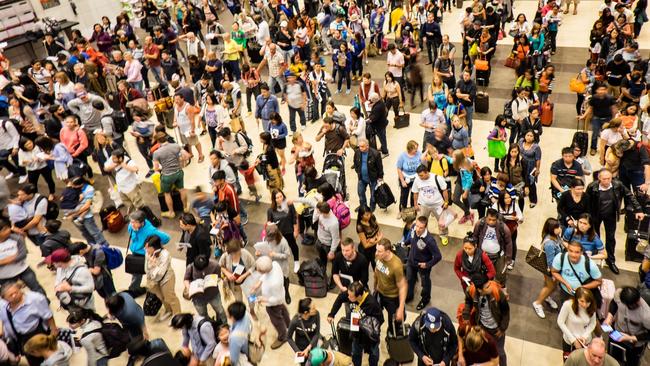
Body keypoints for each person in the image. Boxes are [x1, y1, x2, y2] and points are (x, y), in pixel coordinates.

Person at [585, 168, 643, 274]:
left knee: (611, 238)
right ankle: (592, 257)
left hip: (610, 215)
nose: (607, 181)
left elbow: (629, 195)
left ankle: (610, 260)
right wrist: (586, 218)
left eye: (609, 179)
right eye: (604, 179)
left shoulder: (618, 185)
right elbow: (587, 203)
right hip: (596, 215)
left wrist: (638, 209)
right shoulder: (592, 187)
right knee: (594, 236)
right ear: (599, 178)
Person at [0, 281, 58, 366]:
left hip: (36, 333)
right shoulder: (2, 306)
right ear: (4, 298)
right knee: (32, 360)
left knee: (47, 357)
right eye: (10, 295)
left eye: (16, 292)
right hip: (18, 338)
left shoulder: (35, 299)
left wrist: (53, 331)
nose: (14, 296)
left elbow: (48, 315)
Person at [327, 281, 383, 366]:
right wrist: (332, 314)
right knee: (356, 353)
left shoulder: (372, 304)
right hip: (356, 333)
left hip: (369, 336)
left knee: (374, 354)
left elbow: (380, 320)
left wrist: (368, 325)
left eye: (350, 296)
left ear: (359, 296)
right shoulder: (351, 293)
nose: (348, 297)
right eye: (348, 294)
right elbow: (340, 298)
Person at [462, 273, 510, 366]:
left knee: (500, 353)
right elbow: (468, 301)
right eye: (487, 287)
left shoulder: (497, 292)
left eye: (489, 284)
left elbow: (506, 312)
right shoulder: (471, 290)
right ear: (480, 290)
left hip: (496, 329)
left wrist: (502, 328)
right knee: (485, 350)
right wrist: (466, 314)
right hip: (482, 327)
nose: (490, 287)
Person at [126, 210, 171, 296]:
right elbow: (134, 238)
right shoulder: (132, 226)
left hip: (145, 255)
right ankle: (134, 289)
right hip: (135, 252)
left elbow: (166, 238)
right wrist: (135, 231)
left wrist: (155, 245)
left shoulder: (150, 230)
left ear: (142, 222)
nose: (132, 224)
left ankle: (136, 290)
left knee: (142, 273)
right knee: (137, 273)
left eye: (135, 222)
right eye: (131, 222)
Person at [603, 286, 650, 366]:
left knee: (632, 362)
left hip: (635, 343)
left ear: (637, 301)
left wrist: (630, 338)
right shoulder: (619, 294)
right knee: (613, 356)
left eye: (631, 306)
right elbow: (614, 302)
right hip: (617, 332)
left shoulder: (646, 315)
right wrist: (609, 316)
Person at [251, 256, 290, 349]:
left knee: (276, 320)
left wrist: (263, 299)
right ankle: (289, 323)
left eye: (258, 270)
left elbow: (275, 299)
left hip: (273, 303)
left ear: (263, 271)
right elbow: (266, 275)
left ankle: (283, 336)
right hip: (281, 295)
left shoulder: (274, 283)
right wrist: (258, 283)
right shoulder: (275, 264)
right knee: (283, 309)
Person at [0, 217, 46, 295]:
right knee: (13, 295)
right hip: (5, 276)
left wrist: (4, 261)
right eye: (4, 230)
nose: (8, 230)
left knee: (37, 289)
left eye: (8, 228)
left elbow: (22, 254)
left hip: (23, 270)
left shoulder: (16, 238)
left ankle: (45, 304)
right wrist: (12, 258)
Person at [406, 216, 442, 310]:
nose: (417, 229)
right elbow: (411, 238)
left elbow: (438, 256)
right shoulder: (414, 227)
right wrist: (404, 243)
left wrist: (427, 264)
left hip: (422, 265)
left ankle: (425, 299)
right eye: (417, 226)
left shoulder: (429, 241)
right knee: (409, 279)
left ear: (425, 227)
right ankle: (409, 296)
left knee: (425, 283)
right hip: (411, 260)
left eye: (421, 227)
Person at [152, 132, 192, 218]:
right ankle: (185, 208)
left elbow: (156, 168)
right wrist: (180, 160)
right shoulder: (175, 146)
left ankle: (171, 212)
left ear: (158, 141)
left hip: (167, 176)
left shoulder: (157, 153)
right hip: (178, 172)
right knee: (182, 189)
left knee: (167, 194)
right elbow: (187, 156)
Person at [471, 208, 513, 287]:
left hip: (499, 255)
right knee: (482, 274)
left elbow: (509, 243)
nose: (491, 222)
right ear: (486, 217)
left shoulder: (503, 227)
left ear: (497, 219)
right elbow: (475, 237)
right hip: (483, 255)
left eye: (493, 220)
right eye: (489, 219)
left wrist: (508, 258)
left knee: (501, 275)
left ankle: (501, 290)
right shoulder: (480, 223)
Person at [552, 241, 603, 305]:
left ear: (581, 252)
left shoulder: (590, 265)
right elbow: (554, 272)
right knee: (564, 309)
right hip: (565, 292)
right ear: (567, 250)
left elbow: (599, 281)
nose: (573, 255)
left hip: (583, 295)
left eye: (577, 252)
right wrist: (565, 283)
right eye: (571, 251)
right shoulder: (560, 258)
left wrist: (582, 287)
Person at [411, 164, 450, 245]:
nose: (420, 177)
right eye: (419, 175)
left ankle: (443, 235)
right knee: (422, 221)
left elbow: (444, 190)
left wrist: (446, 202)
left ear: (426, 172)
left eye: (421, 175)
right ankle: (423, 235)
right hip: (424, 205)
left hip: (438, 205)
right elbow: (415, 192)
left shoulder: (437, 178)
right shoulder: (417, 179)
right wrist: (415, 204)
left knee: (442, 221)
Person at [145, 235, 181, 321]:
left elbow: (161, 273)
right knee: (161, 297)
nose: (146, 250)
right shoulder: (148, 253)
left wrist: (153, 265)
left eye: (147, 247)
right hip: (153, 280)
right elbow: (146, 268)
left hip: (166, 278)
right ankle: (168, 310)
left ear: (154, 247)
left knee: (170, 297)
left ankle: (178, 316)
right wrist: (150, 265)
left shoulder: (165, 254)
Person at [374, 239, 407, 335]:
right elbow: (376, 272)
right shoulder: (378, 257)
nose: (376, 253)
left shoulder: (396, 265)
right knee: (375, 318)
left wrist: (400, 308)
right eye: (376, 250)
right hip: (380, 293)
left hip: (392, 298)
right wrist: (375, 287)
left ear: (387, 252)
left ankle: (392, 336)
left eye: (379, 251)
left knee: (394, 324)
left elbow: (403, 286)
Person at [532, 218, 562, 318]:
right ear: (551, 229)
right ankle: (538, 303)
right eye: (557, 227)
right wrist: (553, 273)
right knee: (550, 286)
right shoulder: (549, 243)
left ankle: (547, 297)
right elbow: (550, 261)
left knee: (551, 285)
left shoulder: (556, 236)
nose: (560, 229)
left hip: (555, 267)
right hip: (551, 269)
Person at [557, 287, 598, 360]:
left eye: (587, 302)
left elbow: (592, 323)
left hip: (585, 342)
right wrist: (573, 340)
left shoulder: (591, 307)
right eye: (582, 301)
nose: (585, 305)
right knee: (568, 362)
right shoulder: (568, 305)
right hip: (569, 341)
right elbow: (560, 322)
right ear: (576, 299)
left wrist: (584, 336)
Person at [258, 223, 293, 304]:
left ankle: (287, 293)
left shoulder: (283, 242)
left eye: (271, 238)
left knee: (285, 282)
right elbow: (265, 250)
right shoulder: (266, 239)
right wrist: (260, 253)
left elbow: (287, 255)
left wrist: (275, 255)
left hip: (282, 268)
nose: (269, 240)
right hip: (270, 267)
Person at [103, 149, 143, 214]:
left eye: (114, 158)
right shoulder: (113, 159)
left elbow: (136, 169)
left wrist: (125, 166)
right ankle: (134, 216)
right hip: (121, 188)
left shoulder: (128, 161)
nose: (112, 160)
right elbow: (105, 168)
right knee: (128, 204)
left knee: (139, 205)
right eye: (112, 158)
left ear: (120, 158)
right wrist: (112, 166)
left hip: (131, 188)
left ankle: (143, 217)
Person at [353, 138, 383, 211]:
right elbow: (355, 163)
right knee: (360, 193)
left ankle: (372, 207)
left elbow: (380, 167)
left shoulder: (375, 154)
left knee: (373, 195)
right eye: (359, 146)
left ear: (367, 146)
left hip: (373, 178)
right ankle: (363, 206)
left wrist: (380, 177)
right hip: (362, 178)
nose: (360, 148)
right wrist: (358, 171)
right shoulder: (357, 152)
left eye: (362, 146)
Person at [287, 298, 321, 362]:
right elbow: (288, 338)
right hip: (301, 348)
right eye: (313, 308)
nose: (316, 309)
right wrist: (298, 351)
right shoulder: (295, 321)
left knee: (315, 362)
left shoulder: (316, 314)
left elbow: (317, 333)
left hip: (313, 344)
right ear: (306, 312)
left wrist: (309, 347)